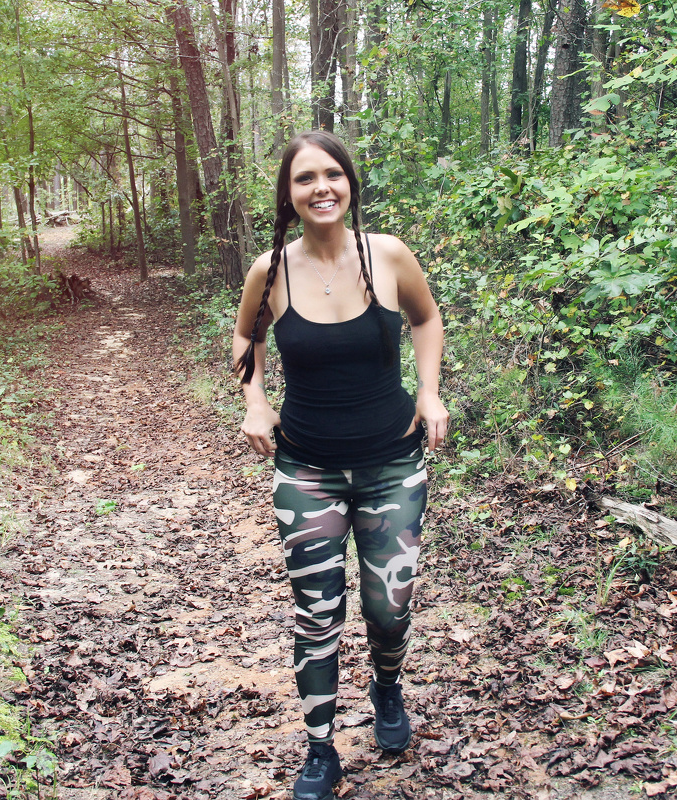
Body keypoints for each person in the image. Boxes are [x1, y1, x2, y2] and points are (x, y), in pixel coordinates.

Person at [232, 130, 448, 800]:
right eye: (305, 179)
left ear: (350, 183)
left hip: (391, 463)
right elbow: (246, 336)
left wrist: (431, 389)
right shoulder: (270, 271)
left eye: (333, 175)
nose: (321, 188)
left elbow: (427, 318)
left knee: (389, 607)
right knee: (316, 612)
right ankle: (321, 748)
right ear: (288, 195)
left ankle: (387, 685)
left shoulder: (386, 256)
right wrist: (255, 401)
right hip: (307, 469)